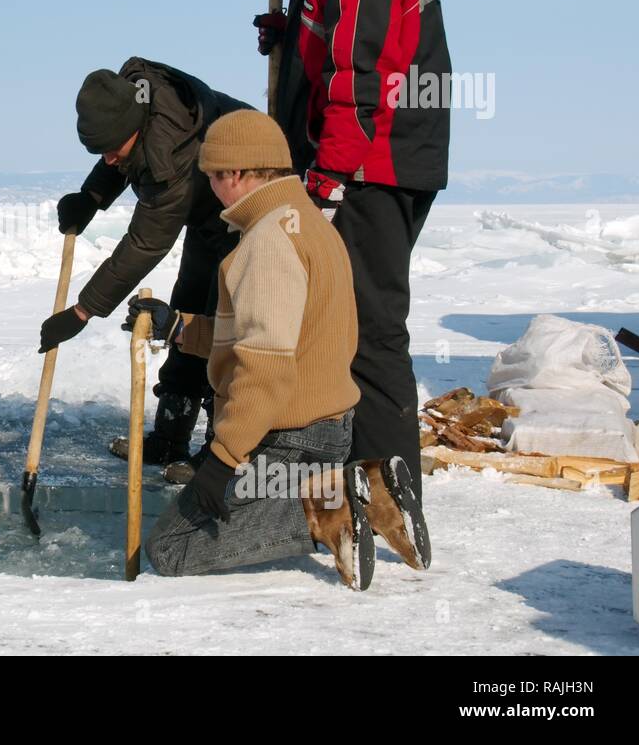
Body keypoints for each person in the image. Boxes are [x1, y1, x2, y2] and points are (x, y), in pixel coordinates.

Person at [138, 111, 430, 588]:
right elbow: (269, 335)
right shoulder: (306, 223)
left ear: (235, 173)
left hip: (288, 441)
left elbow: (263, 369)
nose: (210, 188)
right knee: (186, 527)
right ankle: (372, 488)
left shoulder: (268, 242)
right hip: (326, 430)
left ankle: (324, 507)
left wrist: (222, 460)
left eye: (212, 176)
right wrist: (179, 328)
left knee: (170, 548)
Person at [256, 0, 453, 498]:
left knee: (368, 330)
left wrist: (329, 177)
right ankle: (362, 480)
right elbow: (339, 40)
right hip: (392, 159)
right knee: (356, 324)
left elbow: (358, 74)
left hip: (374, 162)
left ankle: (389, 493)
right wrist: (291, 32)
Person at [40, 57, 252, 472]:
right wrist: (92, 198)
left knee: (216, 325)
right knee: (188, 302)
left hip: (249, 213)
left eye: (110, 151)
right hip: (209, 213)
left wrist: (83, 311)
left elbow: (144, 244)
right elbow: (122, 153)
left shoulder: (168, 156)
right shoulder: (131, 97)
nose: (109, 160)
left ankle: (219, 453)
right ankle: (170, 439)